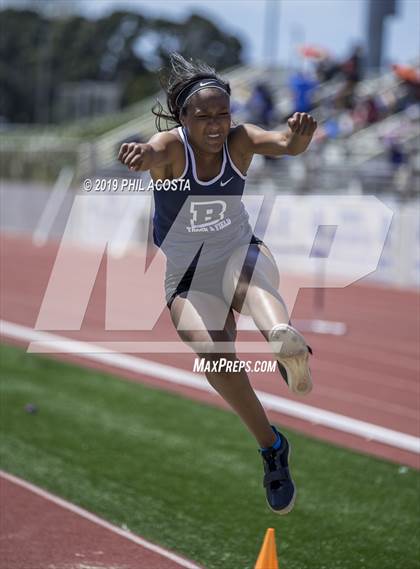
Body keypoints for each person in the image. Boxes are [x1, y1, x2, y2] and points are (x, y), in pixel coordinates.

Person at [118, 53, 317, 515]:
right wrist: (139, 155)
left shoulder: (240, 140)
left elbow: (286, 144)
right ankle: (272, 447)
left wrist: (299, 139)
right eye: (203, 116)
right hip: (188, 273)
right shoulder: (170, 148)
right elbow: (151, 152)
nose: (214, 124)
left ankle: (282, 341)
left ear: (232, 115)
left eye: (222, 114)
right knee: (212, 353)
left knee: (247, 282)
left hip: (239, 250)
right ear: (182, 118)